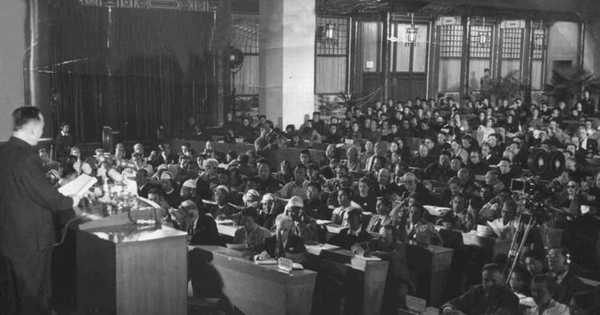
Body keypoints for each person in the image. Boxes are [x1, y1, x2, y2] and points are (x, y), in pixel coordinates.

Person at [0, 106, 82, 315]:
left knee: (14, 299)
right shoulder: (27, 157)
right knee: (35, 298)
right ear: (33, 129)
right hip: (31, 242)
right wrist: (72, 199)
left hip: (10, 239)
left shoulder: (4, 151)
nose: (42, 131)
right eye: (42, 126)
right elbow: (48, 198)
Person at [440, 263, 519, 315]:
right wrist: (448, 310)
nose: (489, 284)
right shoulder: (477, 290)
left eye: (494, 281)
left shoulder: (511, 299)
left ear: (503, 280)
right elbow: (454, 303)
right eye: (486, 280)